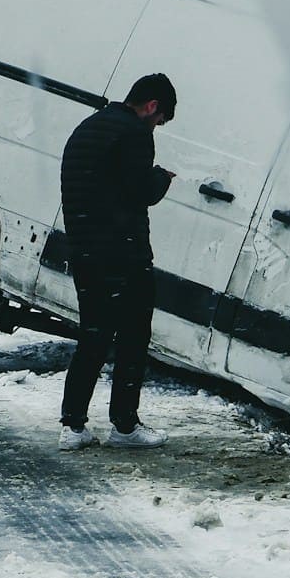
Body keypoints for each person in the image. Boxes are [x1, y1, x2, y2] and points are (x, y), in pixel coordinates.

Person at [57, 73, 176, 451]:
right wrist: (161, 179)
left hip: (85, 250)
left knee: (92, 336)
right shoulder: (135, 135)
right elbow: (138, 191)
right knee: (133, 337)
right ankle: (124, 426)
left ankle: (72, 426)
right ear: (153, 106)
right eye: (160, 120)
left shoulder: (89, 127)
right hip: (123, 253)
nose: (157, 127)